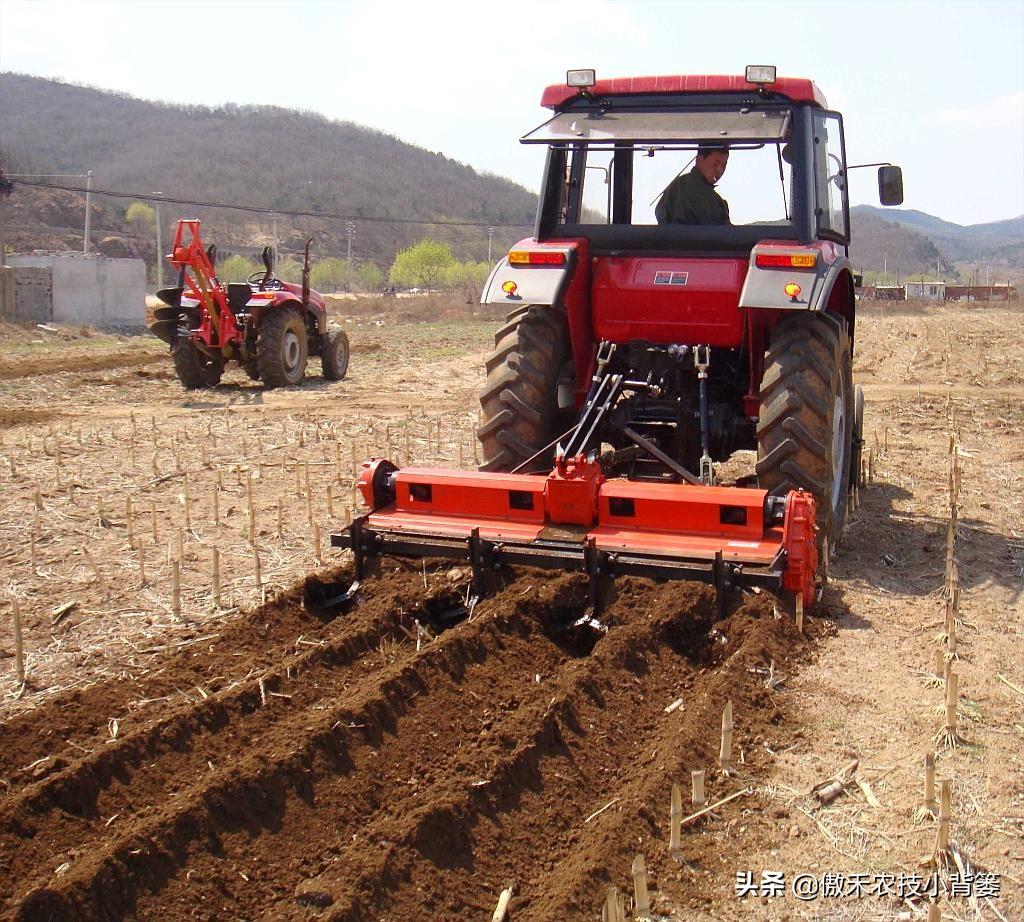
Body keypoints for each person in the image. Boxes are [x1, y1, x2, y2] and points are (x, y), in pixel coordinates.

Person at [656, 144, 731, 225]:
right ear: (699, 160)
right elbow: (718, 230)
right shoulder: (704, 194)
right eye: (715, 164)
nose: (720, 170)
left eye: (724, 166)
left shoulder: (675, 187)